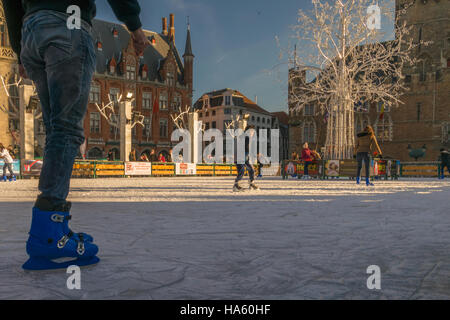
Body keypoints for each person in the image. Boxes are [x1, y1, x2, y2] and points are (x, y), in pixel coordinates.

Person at [3, 0, 149, 270]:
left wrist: (18, 48)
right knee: (67, 130)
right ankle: (48, 231)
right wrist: (134, 24)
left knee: (56, 130)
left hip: (32, 31)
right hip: (68, 24)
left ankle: (48, 230)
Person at [233, 125, 259, 192]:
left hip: (244, 156)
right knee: (242, 170)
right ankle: (236, 185)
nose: (252, 133)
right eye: (251, 131)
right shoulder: (246, 137)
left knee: (251, 170)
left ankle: (251, 183)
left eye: (253, 131)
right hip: (240, 156)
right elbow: (246, 147)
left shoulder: (246, 137)